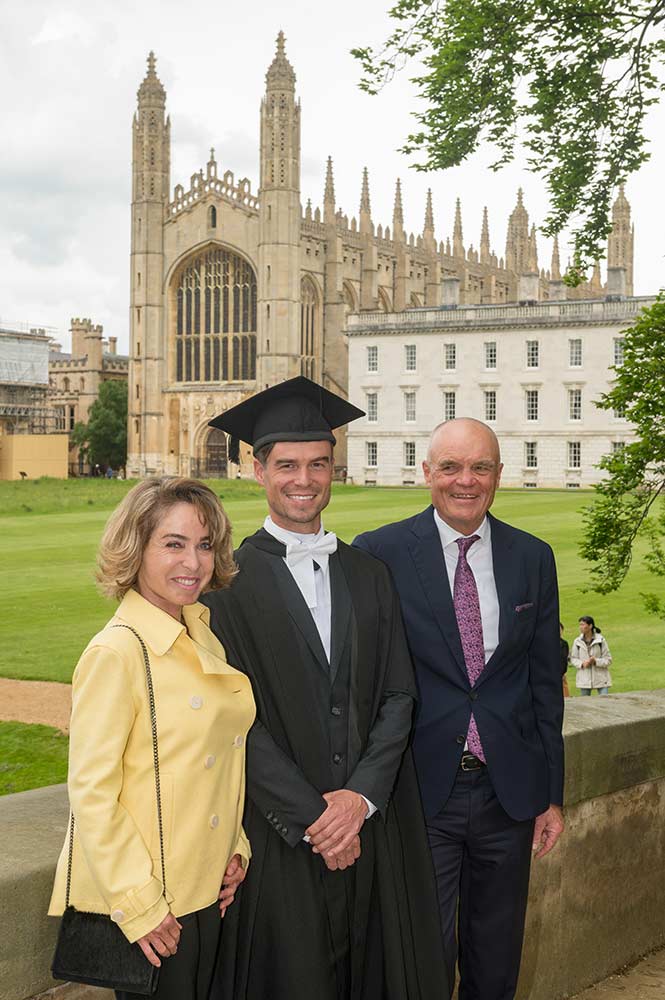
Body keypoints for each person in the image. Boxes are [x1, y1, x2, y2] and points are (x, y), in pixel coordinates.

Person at [202, 376, 448, 1000]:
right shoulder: (223, 586)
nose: (303, 480)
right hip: (278, 836)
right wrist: (315, 816)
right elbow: (230, 719)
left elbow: (399, 695)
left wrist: (359, 800)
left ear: (333, 468)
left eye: (317, 463)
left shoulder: (370, 574)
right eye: (286, 465)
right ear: (258, 469)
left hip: (369, 831)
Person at [353, 418, 565, 1000]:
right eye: (450, 467)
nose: (465, 481)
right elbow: (362, 683)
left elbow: (544, 683)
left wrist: (552, 792)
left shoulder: (532, 557)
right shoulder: (381, 553)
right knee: (421, 957)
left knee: (496, 960)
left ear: (499, 474)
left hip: (509, 794)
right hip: (419, 793)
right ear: (427, 473)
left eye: (480, 468)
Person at [49, 477, 256, 1000]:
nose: (194, 562)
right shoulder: (115, 652)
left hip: (208, 891)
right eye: (174, 544)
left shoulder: (200, 630)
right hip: (153, 909)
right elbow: (93, 794)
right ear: (134, 548)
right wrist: (139, 907)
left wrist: (236, 847)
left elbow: (218, 756)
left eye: (204, 545)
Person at [571, 616, 613, 694]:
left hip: (601, 679)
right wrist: (582, 664)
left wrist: (595, 661)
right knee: (584, 703)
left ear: (590, 626)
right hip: (584, 679)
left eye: (583, 624)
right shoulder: (577, 641)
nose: (580, 627)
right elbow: (573, 659)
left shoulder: (601, 640)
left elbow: (608, 659)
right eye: (580, 625)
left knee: (605, 702)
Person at [561, 622, 571, 698]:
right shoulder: (546, 643)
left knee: (566, 696)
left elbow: (564, 658)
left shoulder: (564, 643)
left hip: (561, 674)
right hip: (549, 674)